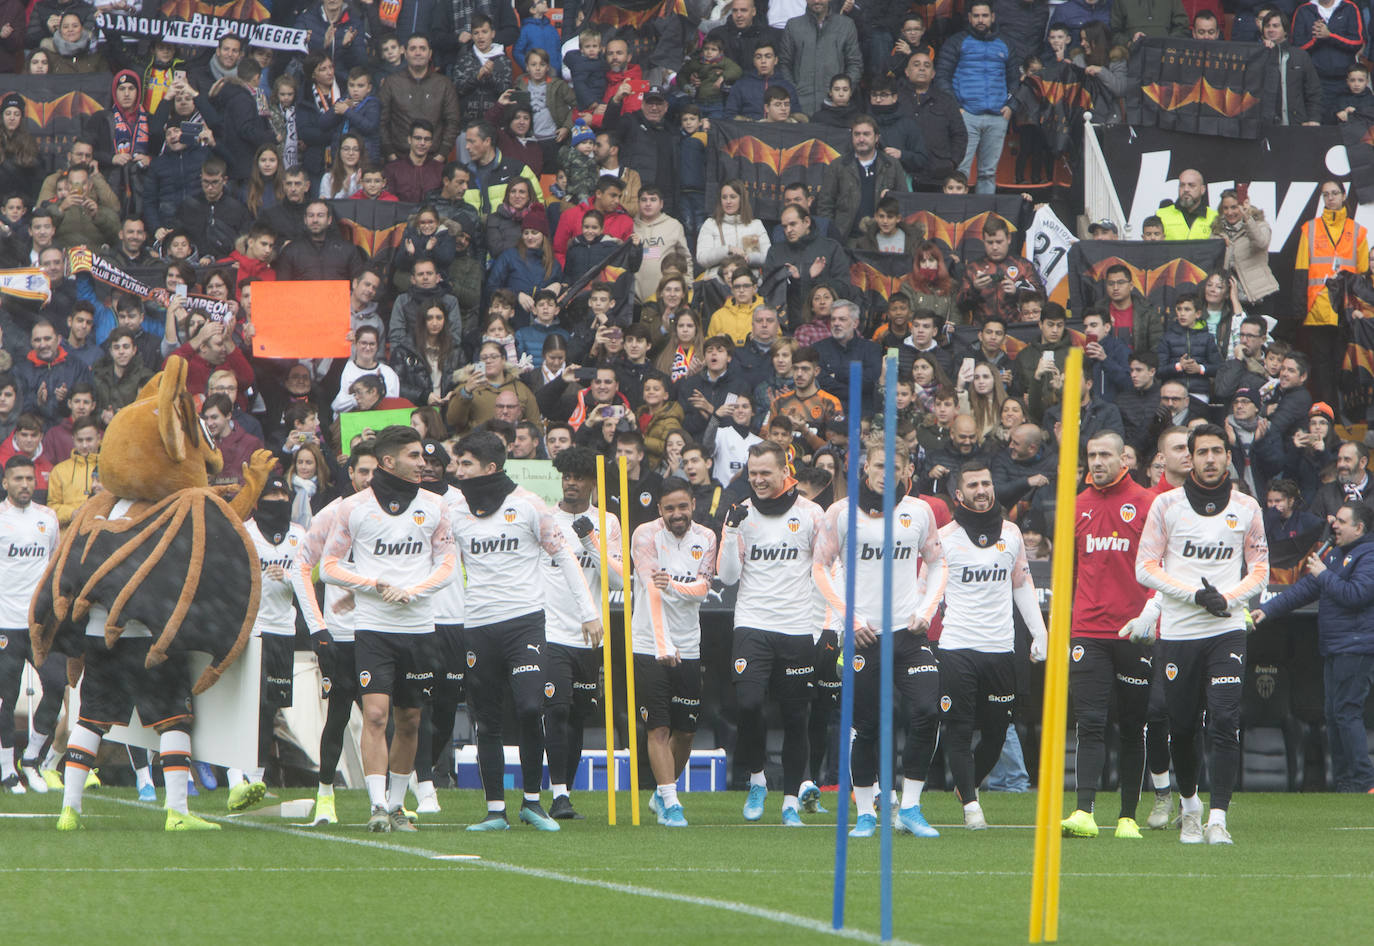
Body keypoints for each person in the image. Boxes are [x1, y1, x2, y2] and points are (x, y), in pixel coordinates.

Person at [450, 431, 599, 831]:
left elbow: (564, 556)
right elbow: (441, 567)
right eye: (456, 463)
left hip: (526, 623)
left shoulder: (529, 504)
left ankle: (533, 802)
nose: (456, 471)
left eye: (465, 464)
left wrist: (589, 612)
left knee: (532, 708)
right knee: (488, 721)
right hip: (478, 625)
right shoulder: (454, 510)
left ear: (490, 468)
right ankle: (495, 810)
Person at [1133, 423, 1269, 845]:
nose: (1210, 458)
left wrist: (1227, 600)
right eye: (1202, 452)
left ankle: (1218, 819)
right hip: (1178, 633)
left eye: (1217, 451)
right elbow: (1146, 567)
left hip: (1226, 629)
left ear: (1229, 457)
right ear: (1190, 458)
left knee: (1225, 720)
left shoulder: (1247, 507)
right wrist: (1195, 595)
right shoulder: (1166, 506)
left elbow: (1262, 568)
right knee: (1184, 726)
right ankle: (1190, 808)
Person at [321, 425, 457, 833]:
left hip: (419, 626)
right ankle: (377, 805)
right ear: (388, 462)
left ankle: (398, 806)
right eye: (414, 456)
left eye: (424, 457)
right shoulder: (353, 508)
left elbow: (449, 564)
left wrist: (414, 591)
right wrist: (373, 585)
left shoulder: (436, 505)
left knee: (411, 718)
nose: (423, 464)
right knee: (376, 716)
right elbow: (328, 566)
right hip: (374, 627)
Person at [815, 442, 946, 838]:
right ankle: (867, 812)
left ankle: (909, 807)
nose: (884, 473)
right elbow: (820, 568)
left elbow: (938, 562)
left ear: (906, 471)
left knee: (928, 708)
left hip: (907, 632)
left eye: (894, 467)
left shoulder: (919, 511)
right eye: (877, 465)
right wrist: (850, 619)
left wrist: (927, 611)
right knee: (866, 726)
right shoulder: (840, 513)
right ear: (864, 468)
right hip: (864, 635)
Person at [717, 441, 836, 825]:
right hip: (752, 623)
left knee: (796, 717)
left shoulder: (812, 514)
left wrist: (824, 626)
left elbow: (824, 572)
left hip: (798, 628)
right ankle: (756, 779)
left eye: (765, 473)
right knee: (749, 706)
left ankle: (789, 801)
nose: (758, 480)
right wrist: (730, 530)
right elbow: (729, 576)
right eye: (752, 474)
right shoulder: (741, 514)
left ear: (786, 471)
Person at [937, 460, 1047, 829]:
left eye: (986, 483)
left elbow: (1021, 584)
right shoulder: (943, 537)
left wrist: (1040, 632)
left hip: (1001, 648)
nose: (981, 490)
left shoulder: (1013, 533)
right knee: (960, 728)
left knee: (998, 732)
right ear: (959, 493)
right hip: (957, 646)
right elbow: (926, 590)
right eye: (973, 485)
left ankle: (966, 786)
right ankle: (972, 806)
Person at [1060, 431, 1156, 840]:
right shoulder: (1076, 505)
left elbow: (1163, 565)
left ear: (1125, 461)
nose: (1096, 462)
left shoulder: (1149, 504)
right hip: (1088, 632)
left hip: (1135, 633)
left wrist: (1151, 615)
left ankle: (1128, 816)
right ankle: (1084, 811)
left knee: (1133, 726)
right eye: (1091, 455)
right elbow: (1068, 572)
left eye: (1104, 455)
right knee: (1090, 723)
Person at [1254, 502, 1374, 792]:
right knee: (1334, 714)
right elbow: (1303, 590)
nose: (1334, 525)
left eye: (1342, 521)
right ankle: (1346, 781)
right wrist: (1267, 610)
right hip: (1335, 646)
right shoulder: (1335, 555)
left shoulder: (1368, 556)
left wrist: (1323, 574)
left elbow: (1356, 594)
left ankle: (1364, 780)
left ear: (1359, 528)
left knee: (1347, 712)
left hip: (1355, 647)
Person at [226, 476, 327, 810]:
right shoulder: (246, 532)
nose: (277, 499)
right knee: (245, 705)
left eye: (282, 493)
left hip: (284, 630)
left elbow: (311, 576)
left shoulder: (299, 535)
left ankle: (255, 779)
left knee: (270, 707)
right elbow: (231, 575)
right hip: (251, 629)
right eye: (270, 494)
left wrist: (292, 579)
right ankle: (234, 778)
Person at [297, 444, 377, 827]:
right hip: (341, 634)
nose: (370, 479)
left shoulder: (394, 515)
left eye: (377, 471)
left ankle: (388, 799)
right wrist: (318, 626)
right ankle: (325, 795)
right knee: (339, 715)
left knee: (384, 716)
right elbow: (301, 567)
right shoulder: (331, 515)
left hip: (383, 631)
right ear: (351, 474)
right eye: (363, 472)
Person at [631, 477, 718, 827]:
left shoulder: (707, 537)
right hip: (650, 644)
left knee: (686, 732)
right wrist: (663, 645)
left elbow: (703, 589)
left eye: (683, 507)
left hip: (689, 644)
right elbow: (652, 590)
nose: (677, 514)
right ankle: (671, 800)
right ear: (660, 510)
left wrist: (677, 586)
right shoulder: (645, 535)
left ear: (693, 505)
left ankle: (661, 793)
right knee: (659, 729)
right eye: (670, 508)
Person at [543, 447, 620, 820]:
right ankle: (557, 794)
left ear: (593, 482)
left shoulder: (608, 522)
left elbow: (621, 578)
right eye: (566, 476)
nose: (571, 483)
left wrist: (591, 540)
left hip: (591, 637)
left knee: (577, 716)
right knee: (555, 709)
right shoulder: (545, 519)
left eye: (579, 477)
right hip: (551, 630)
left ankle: (565, 793)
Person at [0, 457, 61, 794]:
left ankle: (32, 758)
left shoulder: (48, 518)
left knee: (56, 685)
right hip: (5, 625)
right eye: (18, 478)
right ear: (6, 483)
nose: (25, 484)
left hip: (41, 626)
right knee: (4, 701)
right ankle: (8, 770)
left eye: (29, 478)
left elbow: (54, 564)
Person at [1295, 180, 1366, 405]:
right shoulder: (1310, 228)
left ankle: (1342, 418)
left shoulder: (1358, 231)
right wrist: (1299, 309)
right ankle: (1327, 417)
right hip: (1317, 309)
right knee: (1321, 368)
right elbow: (1301, 270)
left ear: (1344, 196)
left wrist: (1361, 310)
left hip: (1345, 312)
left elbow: (1363, 275)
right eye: (1326, 194)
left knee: (1342, 367)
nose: (1331, 198)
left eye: (1335, 193)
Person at [935, 1, 1014, 194]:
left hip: (997, 115)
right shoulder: (956, 41)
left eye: (985, 16)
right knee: (960, 172)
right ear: (969, 18)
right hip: (966, 115)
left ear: (992, 17)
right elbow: (942, 76)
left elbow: (1014, 79)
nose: (980, 20)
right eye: (976, 16)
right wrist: (956, 108)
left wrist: (1011, 105)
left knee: (988, 173)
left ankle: (983, 219)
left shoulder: (1005, 43)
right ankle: (956, 218)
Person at [816, 113, 911, 243]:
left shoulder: (891, 165)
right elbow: (825, 205)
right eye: (857, 134)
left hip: (883, 240)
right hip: (846, 239)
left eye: (866, 134)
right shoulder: (838, 166)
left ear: (876, 137)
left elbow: (904, 201)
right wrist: (832, 237)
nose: (861, 139)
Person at [778, 0, 863, 115]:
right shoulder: (793, 26)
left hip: (835, 109)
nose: (817, 1)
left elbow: (855, 64)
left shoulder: (846, 25)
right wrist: (794, 92)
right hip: (801, 106)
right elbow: (784, 64)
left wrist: (842, 91)